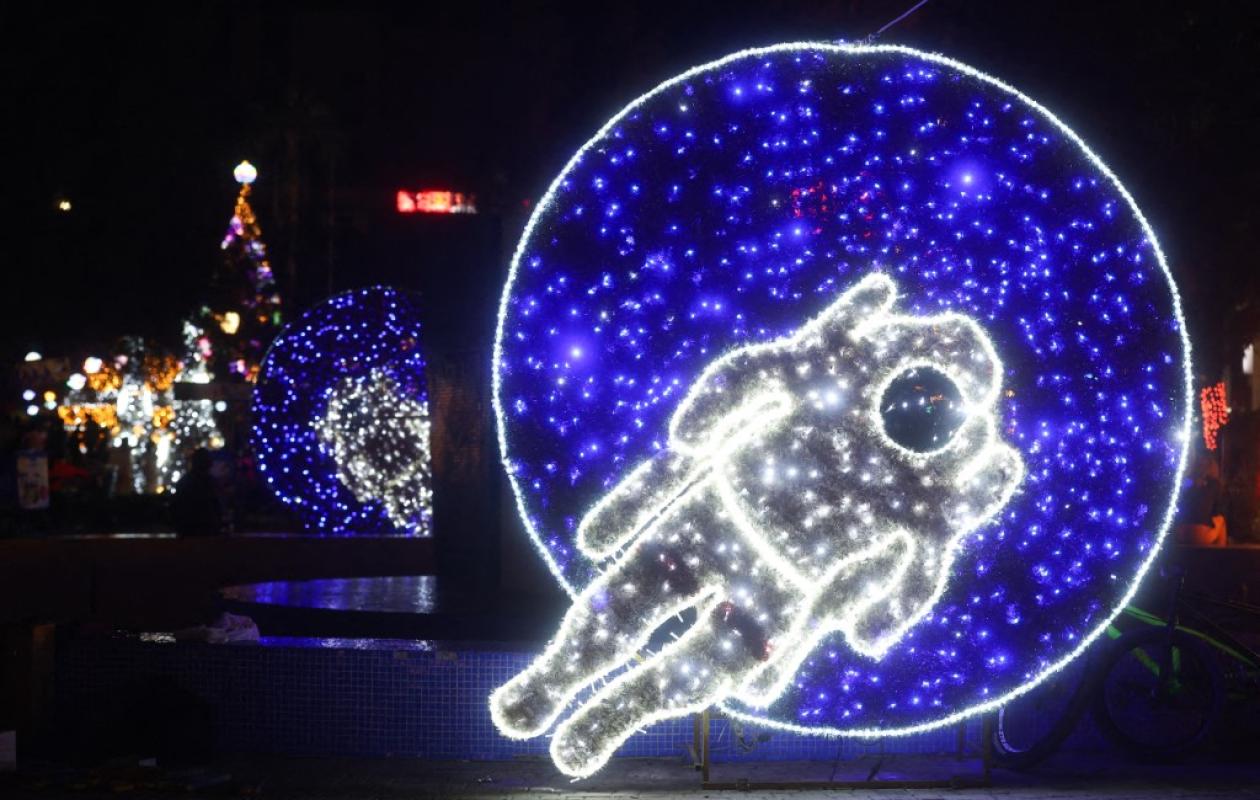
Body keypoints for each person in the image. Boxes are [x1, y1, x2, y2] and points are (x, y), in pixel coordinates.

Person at [490, 274, 1025, 777]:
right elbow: (750, 373)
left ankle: (621, 708)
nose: (923, 400)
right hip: (721, 519)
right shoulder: (841, 366)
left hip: (769, 571)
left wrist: (904, 582)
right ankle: (553, 681)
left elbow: (912, 579)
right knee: (629, 602)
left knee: (703, 652)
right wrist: (700, 427)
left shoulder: (928, 483)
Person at [1177, 454, 1226, 547]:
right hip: (1199, 535)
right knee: (1221, 520)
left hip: (1180, 533)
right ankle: (1220, 556)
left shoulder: (1186, 482)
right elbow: (1216, 512)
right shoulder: (1214, 484)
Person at [171, 448, 223, 536]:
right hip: (207, 533)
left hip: (187, 533)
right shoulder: (211, 483)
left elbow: (176, 509)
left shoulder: (184, 482)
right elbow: (217, 508)